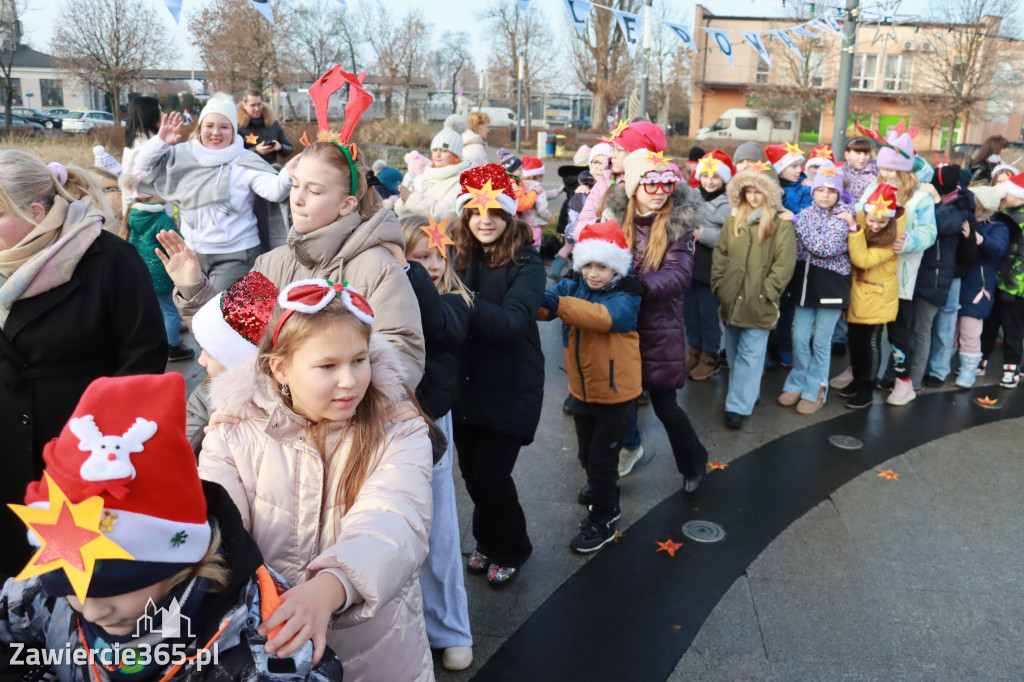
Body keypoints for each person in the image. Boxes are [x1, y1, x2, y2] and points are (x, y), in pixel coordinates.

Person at [0, 372, 344, 681]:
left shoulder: (267, 653)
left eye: (116, 586)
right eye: (69, 585)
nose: (92, 610)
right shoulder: (47, 595)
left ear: (178, 560)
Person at [200, 280, 435, 680]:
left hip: (374, 652)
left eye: (359, 360)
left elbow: (394, 520)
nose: (349, 380)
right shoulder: (234, 431)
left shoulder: (399, 431)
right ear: (281, 368)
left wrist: (329, 588)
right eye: (328, 366)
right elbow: (212, 527)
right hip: (268, 645)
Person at [0, 151, 167, 578]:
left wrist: (103, 443)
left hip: (77, 447)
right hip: (6, 445)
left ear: (35, 212)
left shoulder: (107, 259)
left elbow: (143, 357)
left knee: (72, 578)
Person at [157, 128, 426, 385]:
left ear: (347, 205)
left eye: (315, 190)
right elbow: (231, 336)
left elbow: (401, 366)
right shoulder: (273, 262)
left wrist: (318, 394)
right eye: (296, 185)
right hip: (269, 423)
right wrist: (193, 286)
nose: (297, 198)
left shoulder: (379, 269)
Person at [450, 164, 546, 587]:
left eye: (493, 212)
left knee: (492, 476)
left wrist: (461, 302)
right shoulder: (458, 255)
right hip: (466, 386)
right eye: (474, 211)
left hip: (510, 386)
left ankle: (513, 547)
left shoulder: (527, 263)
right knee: (472, 475)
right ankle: (487, 542)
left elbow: (512, 322)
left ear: (509, 217)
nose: (483, 220)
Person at [395, 214, 475, 672]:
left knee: (439, 530)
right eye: (419, 257)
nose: (432, 266)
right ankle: (409, 626)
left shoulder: (453, 302)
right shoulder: (387, 301)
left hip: (431, 426)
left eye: (436, 255)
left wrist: (409, 271)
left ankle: (452, 628)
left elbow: (442, 328)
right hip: (386, 421)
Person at [603, 150, 710, 488]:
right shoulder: (615, 220)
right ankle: (607, 471)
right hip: (620, 326)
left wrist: (640, 285)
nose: (660, 188)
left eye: (667, 180)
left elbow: (679, 276)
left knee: (666, 407)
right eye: (651, 181)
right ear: (634, 185)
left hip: (659, 330)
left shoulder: (678, 224)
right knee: (616, 407)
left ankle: (694, 463)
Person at [538, 220, 642, 552]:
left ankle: (605, 517)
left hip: (615, 395)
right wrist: (529, 292)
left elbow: (604, 317)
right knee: (586, 453)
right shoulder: (573, 286)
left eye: (602, 266)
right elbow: (544, 307)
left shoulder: (627, 295)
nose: (593, 273)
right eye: (588, 265)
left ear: (617, 268)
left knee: (601, 459)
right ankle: (601, 487)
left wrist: (558, 305)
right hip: (582, 390)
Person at [135, 94, 294, 292]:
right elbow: (142, 166)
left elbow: (275, 191)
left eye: (224, 127)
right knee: (194, 311)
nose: (215, 133)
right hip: (192, 253)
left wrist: (290, 171)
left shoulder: (244, 161)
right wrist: (161, 141)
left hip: (236, 255)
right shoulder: (183, 154)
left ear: (234, 130)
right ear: (200, 127)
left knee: (215, 314)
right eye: (209, 126)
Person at [854, 124, 936, 405]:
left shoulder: (921, 198)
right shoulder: (872, 190)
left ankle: (904, 381)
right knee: (866, 328)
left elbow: (929, 232)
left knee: (900, 329)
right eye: (884, 169)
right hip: (872, 271)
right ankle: (858, 371)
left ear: (906, 170)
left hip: (901, 276)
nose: (887, 174)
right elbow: (859, 216)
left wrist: (910, 240)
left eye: (893, 170)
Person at [711, 166, 797, 429]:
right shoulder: (733, 220)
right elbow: (721, 254)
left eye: (759, 191)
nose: (754, 197)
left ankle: (737, 405)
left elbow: (784, 263)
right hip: (733, 297)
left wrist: (768, 292)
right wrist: (720, 285)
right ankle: (748, 394)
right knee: (736, 351)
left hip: (760, 299)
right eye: (749, 190)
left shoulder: (780, 223)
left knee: (750, 353)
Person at [120, 96, 194, 363]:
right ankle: (171, 340)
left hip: (136, 211)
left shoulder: (133, 141)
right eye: (160, 111)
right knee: (165, 299)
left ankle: (168, 329)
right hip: (150, 211)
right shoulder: (145, 144)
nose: (162, 114)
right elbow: (144, 171)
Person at [780, 163, 854, 414]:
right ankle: (798, 381)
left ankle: (816, 387)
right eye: (820, 189)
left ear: (838, 194)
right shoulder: (806, 213)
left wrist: (798, 223)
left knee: (821, 341)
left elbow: (825, 248)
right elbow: (798, 249)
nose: (824, 194)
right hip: (805, 283)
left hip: (831, 284)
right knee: (799, 338)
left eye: (831, 190)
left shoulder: (844, 216)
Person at [186, 272, 279, 455]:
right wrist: (205, 435)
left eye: (210, 354)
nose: (200, 360)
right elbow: (181, 455)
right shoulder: (202, 397)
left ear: (240, 362)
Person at [909, 164, 973, 390]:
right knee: (920, 327)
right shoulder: (925, 196)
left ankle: (938, 370)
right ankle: (918, 369)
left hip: (950, 273)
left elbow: (946, 227)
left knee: (943, 325)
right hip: (924, 270)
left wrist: (936, 201)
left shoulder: (961, 205)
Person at [842, 184, 905, 409]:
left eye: (881, 222)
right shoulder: (864, 221)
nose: (876, 226)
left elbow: (862, 260)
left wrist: (854, 229)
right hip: (858, 294)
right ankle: (857, 379)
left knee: (870, 344)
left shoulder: (892, 241)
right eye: (872, 220)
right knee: (855, 342)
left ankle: (867, 388)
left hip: (877, 298)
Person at [953, 185, 1010, 388]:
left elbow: (998, 249)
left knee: (970, 332)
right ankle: (942, 368)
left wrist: (978, 238)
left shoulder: (998, 227)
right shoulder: (963, 219)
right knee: (950, 332)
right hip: (956, 284)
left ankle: (969, 372)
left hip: (978, 288)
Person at [687, 150, 735, 381]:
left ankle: (710, 357)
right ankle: (694, 351)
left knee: (708, 315)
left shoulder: (730, 204)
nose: (709, 180)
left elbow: (732, 237)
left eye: (715, 176)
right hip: (689, 266)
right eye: (705, 175)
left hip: (712, 269)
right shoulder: (691, 196)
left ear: (724, 178)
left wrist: (703, 234)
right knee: (690, 313)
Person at [577, 121, 667, 230]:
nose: (612, 155)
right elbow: (580, 229)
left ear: (634, 153)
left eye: (617, 149)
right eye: (613, 148)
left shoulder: (664, 183)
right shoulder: (605, 181)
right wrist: (605, 223)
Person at [395, 115, 472, 222]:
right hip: (414, 233)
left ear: (456, 155)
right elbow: (399, 210)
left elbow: (447, 214)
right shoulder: (424, 175)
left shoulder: (462, 180)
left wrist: (412, 200)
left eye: (444, 151)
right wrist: (404, 200)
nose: (438, 155)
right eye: (435, 150)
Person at [992, 173, 1024, 388]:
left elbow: (1021, 258)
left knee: (1013, 329)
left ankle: (1011, 370)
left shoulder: (1018, 219)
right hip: (1001, 281)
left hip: (1015, 288)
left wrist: (1011, 288)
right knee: (994, 324)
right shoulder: (1009, 213)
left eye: (1009, 191)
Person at [236, 90, 293, 165]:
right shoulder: (237, 126)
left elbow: (289, 149)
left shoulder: (273, 123)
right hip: (248, 169)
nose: (257, 108)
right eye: (253, 105)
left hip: (271, 169)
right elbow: (234, 153)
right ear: (244, 105)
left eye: (259, 104)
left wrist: (280, 147)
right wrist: (255, 150)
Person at [519, 156, 556, 247]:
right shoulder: (538, 188)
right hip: (534, 225)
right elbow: (541, 208)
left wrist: (556, 192)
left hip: (520, 223)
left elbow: (546, 194)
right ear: (537, 175)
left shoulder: (520, 186)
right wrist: (548, 218)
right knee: (534, 250)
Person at [768, 143, 813, 214]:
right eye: (794, 166)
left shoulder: (805, 188)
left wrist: (784, 197)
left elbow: (805, 215)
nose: (799, 170)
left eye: (799, 165)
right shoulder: (769, 186)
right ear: (780, 169)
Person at [843, 137, 879, 204]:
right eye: (858, 153)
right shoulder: (842, 172)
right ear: (847, 155)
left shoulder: (875, 171)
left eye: (866, 154)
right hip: (845, 211)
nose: (862, 158)